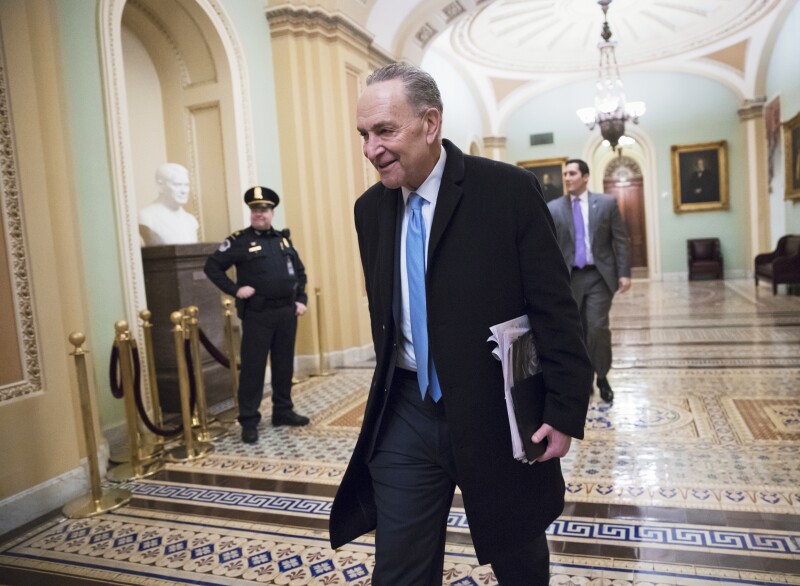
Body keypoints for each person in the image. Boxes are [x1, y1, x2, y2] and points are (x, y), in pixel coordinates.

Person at [329, 62, 591, 585]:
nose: (370, 149)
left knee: (519, 559)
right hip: (406, 409)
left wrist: (564, 409)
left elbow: (554, 308)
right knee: (399, 567)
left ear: (430, 124)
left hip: (498, 412)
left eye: (385, 131)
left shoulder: (507, 192)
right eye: (363, 134)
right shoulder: (369, 212)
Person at [203, 187, 310, 444]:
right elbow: (212, 266)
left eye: (263, 210)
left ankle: (282, 411)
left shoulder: (283, 241)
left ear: (272, 212)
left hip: (286, 312)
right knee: (253, 369)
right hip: (258, 315)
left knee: (284, 365)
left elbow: (300, 272)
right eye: (254, 210)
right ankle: (249, 420)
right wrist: (235, 289)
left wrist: (300, 299)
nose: (258, 214)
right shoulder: (239, 241)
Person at [547, 159, 631, 404]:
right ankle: (582, 378)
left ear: (585, 177)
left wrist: (624, 272)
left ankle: (602, 376)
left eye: (572, 173)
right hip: (569, 279)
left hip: (599, 277)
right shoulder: (553, 208)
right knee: (575, 331)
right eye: (565, 174)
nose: (567, 178)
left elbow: (621, 240)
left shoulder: (606, 203)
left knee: (596, 327)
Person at [138, 163, 200, 246]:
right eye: (177, 185)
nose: (184, 191)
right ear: (160, 186)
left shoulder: (191, 220)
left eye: (186, 185)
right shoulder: (147, 217)